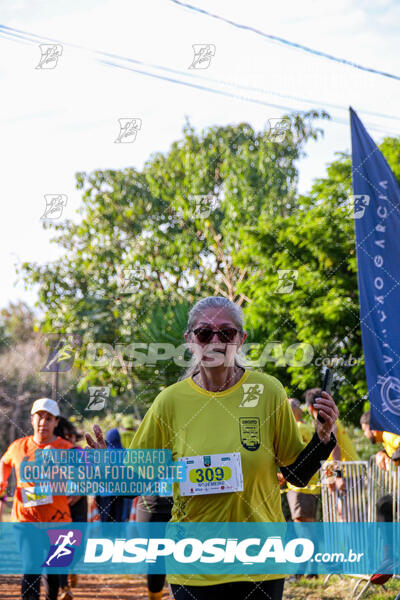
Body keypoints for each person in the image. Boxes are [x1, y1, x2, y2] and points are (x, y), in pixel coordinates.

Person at [87, 296, 339, 600]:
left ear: (241, 339)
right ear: (190, 341)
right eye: (205, 333)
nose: (215, 341)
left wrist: (322, 439)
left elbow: (297, 474)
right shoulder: (170, 402)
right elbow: (138, 481)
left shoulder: (268, 391)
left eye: (227, 333)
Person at [0, 398, 73, 600]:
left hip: (58, 520)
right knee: (31, 567)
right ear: (32, 419)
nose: (43, 422)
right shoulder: (18, 446)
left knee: (54, 571)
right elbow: (4, 462)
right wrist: (1, 488)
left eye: (49, 418)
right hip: (26, 520)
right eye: (39, 417)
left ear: (56, 422)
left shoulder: (66, 448)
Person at [305, 387, 360, 520]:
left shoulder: (327, 421)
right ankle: (343, 541)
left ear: (310, 407)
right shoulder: (326, 419)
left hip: (348, 472)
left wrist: (339, 476)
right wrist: (330, 476)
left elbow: (334, 448)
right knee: (339, 514)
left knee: (345, 515)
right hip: (343, 471)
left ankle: (350, 541)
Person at [54, 416, 88, 593]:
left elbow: (91, 475)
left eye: (71, 435)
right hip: (58, 507)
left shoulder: (80, 453)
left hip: (79, 506)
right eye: (64, 436)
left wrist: (79, 492)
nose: (69, 439)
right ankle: (63, 586)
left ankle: (72, 568)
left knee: (78, 546)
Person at [283, 398, 320, 523]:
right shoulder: (308, 426)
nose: (301, 408)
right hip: (312, 483)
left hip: (299, 487)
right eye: (298, 406)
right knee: (309, 523)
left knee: (302, 525)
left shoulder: (296, 428)